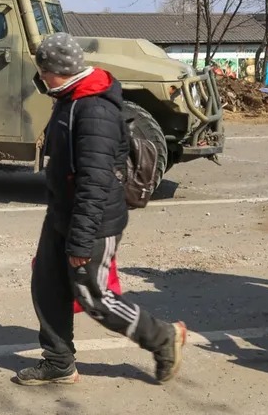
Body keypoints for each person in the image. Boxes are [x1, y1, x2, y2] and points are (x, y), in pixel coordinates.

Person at [17, 32, 187, 386]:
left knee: (95, 298)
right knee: (47, 284)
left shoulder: (93, 108)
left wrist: (80, 241)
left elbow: (94, 182)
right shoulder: (70, 96)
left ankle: (163, 337)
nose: (41, 78)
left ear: (56, 70)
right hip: (65, 213)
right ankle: (59, 362)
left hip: (91, 221)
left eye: (42, 70)